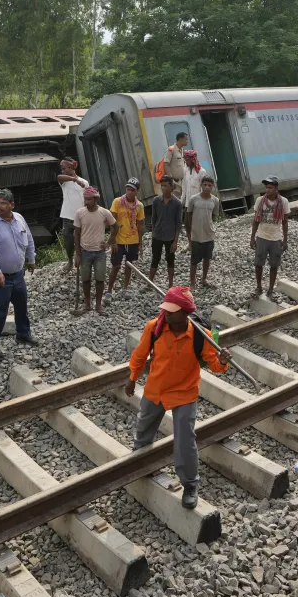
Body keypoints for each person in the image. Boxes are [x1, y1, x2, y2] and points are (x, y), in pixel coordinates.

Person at [127, 287, 231, 509]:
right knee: (143, 430)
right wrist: (132, 377)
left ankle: (190, 484)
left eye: (172, 311)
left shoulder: (200, 335)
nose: (167, 314)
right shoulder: (154, 327)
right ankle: (140, 464)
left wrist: (222, 360)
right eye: (165, 309)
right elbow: (140, 354)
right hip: (157, 388)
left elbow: (214, 364)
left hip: (184, 392)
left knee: (185, 439)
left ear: (185, 313)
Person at [0, 189, 37, 361]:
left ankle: (23, 334)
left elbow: (29, 239)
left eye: (3, 203)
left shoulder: (19, 218)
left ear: (12, 205)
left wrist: (31, 258)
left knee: (21, 305)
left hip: (17, 274)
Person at [73, 186, 116, 314]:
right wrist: (78, 254)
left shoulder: (104, 213)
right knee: (85, 279)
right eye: (85, 199)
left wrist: (108, 243)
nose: (86, 202)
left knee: (100, 279)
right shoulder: (80, 213)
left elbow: (116, 227)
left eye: (89, 199)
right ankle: (87, 304)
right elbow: (76, 234)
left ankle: (98, 305)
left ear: (95, 199)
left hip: (99, 253)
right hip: (85, 251)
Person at [249, 175, 290, 297]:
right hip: (262, 237)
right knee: (258, 264)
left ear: (276, 188)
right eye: (266, 187)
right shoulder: (260, 201)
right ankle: (259, 287)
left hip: (276, 238)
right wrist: (252, 237)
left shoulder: (283, 202)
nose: (268, 190)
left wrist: (285, 239)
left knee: (274, 265)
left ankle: (271, 289)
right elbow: (255, 220)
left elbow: (285, 221)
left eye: (270, 187)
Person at [107, 179, 145, 299]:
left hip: (132, 240)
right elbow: (111, 222)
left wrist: (140, 243)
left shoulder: (139, 206)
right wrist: (112, 241)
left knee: (129, 265)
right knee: (116, 266)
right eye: (127, 189)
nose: (129, 192)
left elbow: (140, 226)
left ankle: (125, 288)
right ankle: (109, 291)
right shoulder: (117, 202)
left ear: (137, 192)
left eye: (132, 190)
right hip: (119, 241)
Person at [149, 175, 185, 289]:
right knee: (155, 258)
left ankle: (170, 284)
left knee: (170, 259)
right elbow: (153, 220)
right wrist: (153, 235)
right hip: (158, 235)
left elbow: (178, 223)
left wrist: (175, 241)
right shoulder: (156, 201)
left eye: (165, 186)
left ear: (171, 187)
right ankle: (150, 282)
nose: (163, 188)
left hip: (170, 236)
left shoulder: (177, 203)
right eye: (162, 186)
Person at [185, 174, 218, 288]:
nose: (207, 187)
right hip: (196, 236)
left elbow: (213, 217)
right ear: (201, 185)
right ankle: (192, 282)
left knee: (207, 258)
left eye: (209, 185)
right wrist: (190, 234)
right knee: (194, 261)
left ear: (212, 186)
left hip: (209, 235)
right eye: (205, 185)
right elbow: (189, 216)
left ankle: (204, 279)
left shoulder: (215, 200)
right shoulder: (193, 199)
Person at [56, 157, 88, 271]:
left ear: (71, 168)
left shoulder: (84, 182)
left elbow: (87, 199)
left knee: (82, 240)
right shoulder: (64, 182)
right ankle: (70, 260)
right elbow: (59, 177)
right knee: (68, 239)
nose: (62, 170)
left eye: (64, 168)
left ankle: (83, 260)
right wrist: (74, 180)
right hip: (67, 216)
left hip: (81, 216)